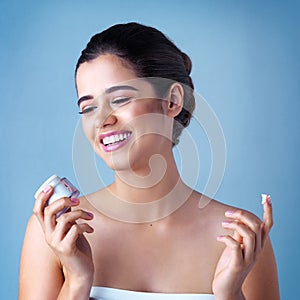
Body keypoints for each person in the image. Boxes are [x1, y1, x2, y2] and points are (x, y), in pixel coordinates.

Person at [19, 22, 280, 300]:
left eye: (119, 99)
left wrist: (229, 294)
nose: (102, 120)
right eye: (89, 107)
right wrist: (76, 281)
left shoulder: (241, 239)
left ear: (172, 101)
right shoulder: (55, 233)